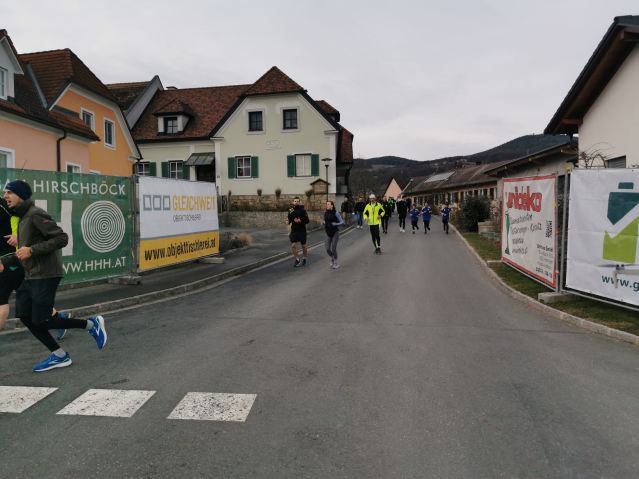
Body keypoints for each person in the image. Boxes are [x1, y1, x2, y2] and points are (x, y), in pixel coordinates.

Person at [0, 180, 107, 372]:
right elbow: (26, 245)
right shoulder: (22, 217)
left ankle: (91, 324)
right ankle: (59, 355)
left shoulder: (35, 213)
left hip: (46, 273)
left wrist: (32, 250)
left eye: (9, 192)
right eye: (4, 192)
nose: (5, 196)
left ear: (20, 195)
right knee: (24, 315)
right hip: (31, 274)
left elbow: (61, 238)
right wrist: (16, 247)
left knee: (41, 320)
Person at [286, 196, 310, 267]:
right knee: (293, 245)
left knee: (303, 245)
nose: (296, 202)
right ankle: (297, 260)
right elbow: (289, 218)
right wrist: (288, 222)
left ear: (299, 202)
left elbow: (307, 221)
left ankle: (304, 258)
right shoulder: (290, 210)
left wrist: (300, 221)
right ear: (293, 202)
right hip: (294, 230)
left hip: (302, 230)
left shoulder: (302, 211)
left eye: (297, 201)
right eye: (295, 201)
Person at [321, 200, 344, 269]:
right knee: (327, 249)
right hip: (328, 232)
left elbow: (342, 222)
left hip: (335, 232)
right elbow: (326, 221)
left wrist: (336, 224)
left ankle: (336, 262)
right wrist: (323, 223)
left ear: (332, 206)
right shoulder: (325, 213)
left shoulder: (336, 213)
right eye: (326, 204)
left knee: (333, 248)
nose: (327, 205)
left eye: (328, 204)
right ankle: (333, 257)